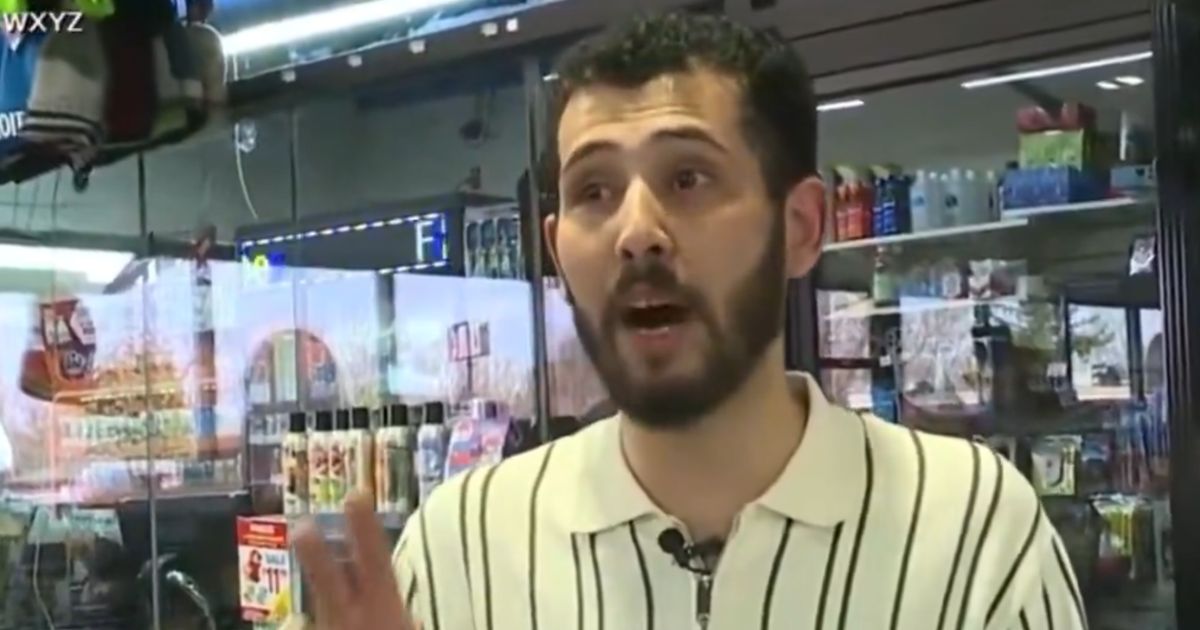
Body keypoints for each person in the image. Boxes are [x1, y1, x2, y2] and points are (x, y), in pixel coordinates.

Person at [293, 13, 1087, 630]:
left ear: (802, 227)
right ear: (558, 252)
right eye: (595, 191)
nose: (637, 231)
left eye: (689, 177)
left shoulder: (970, 529)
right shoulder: (461, 548)